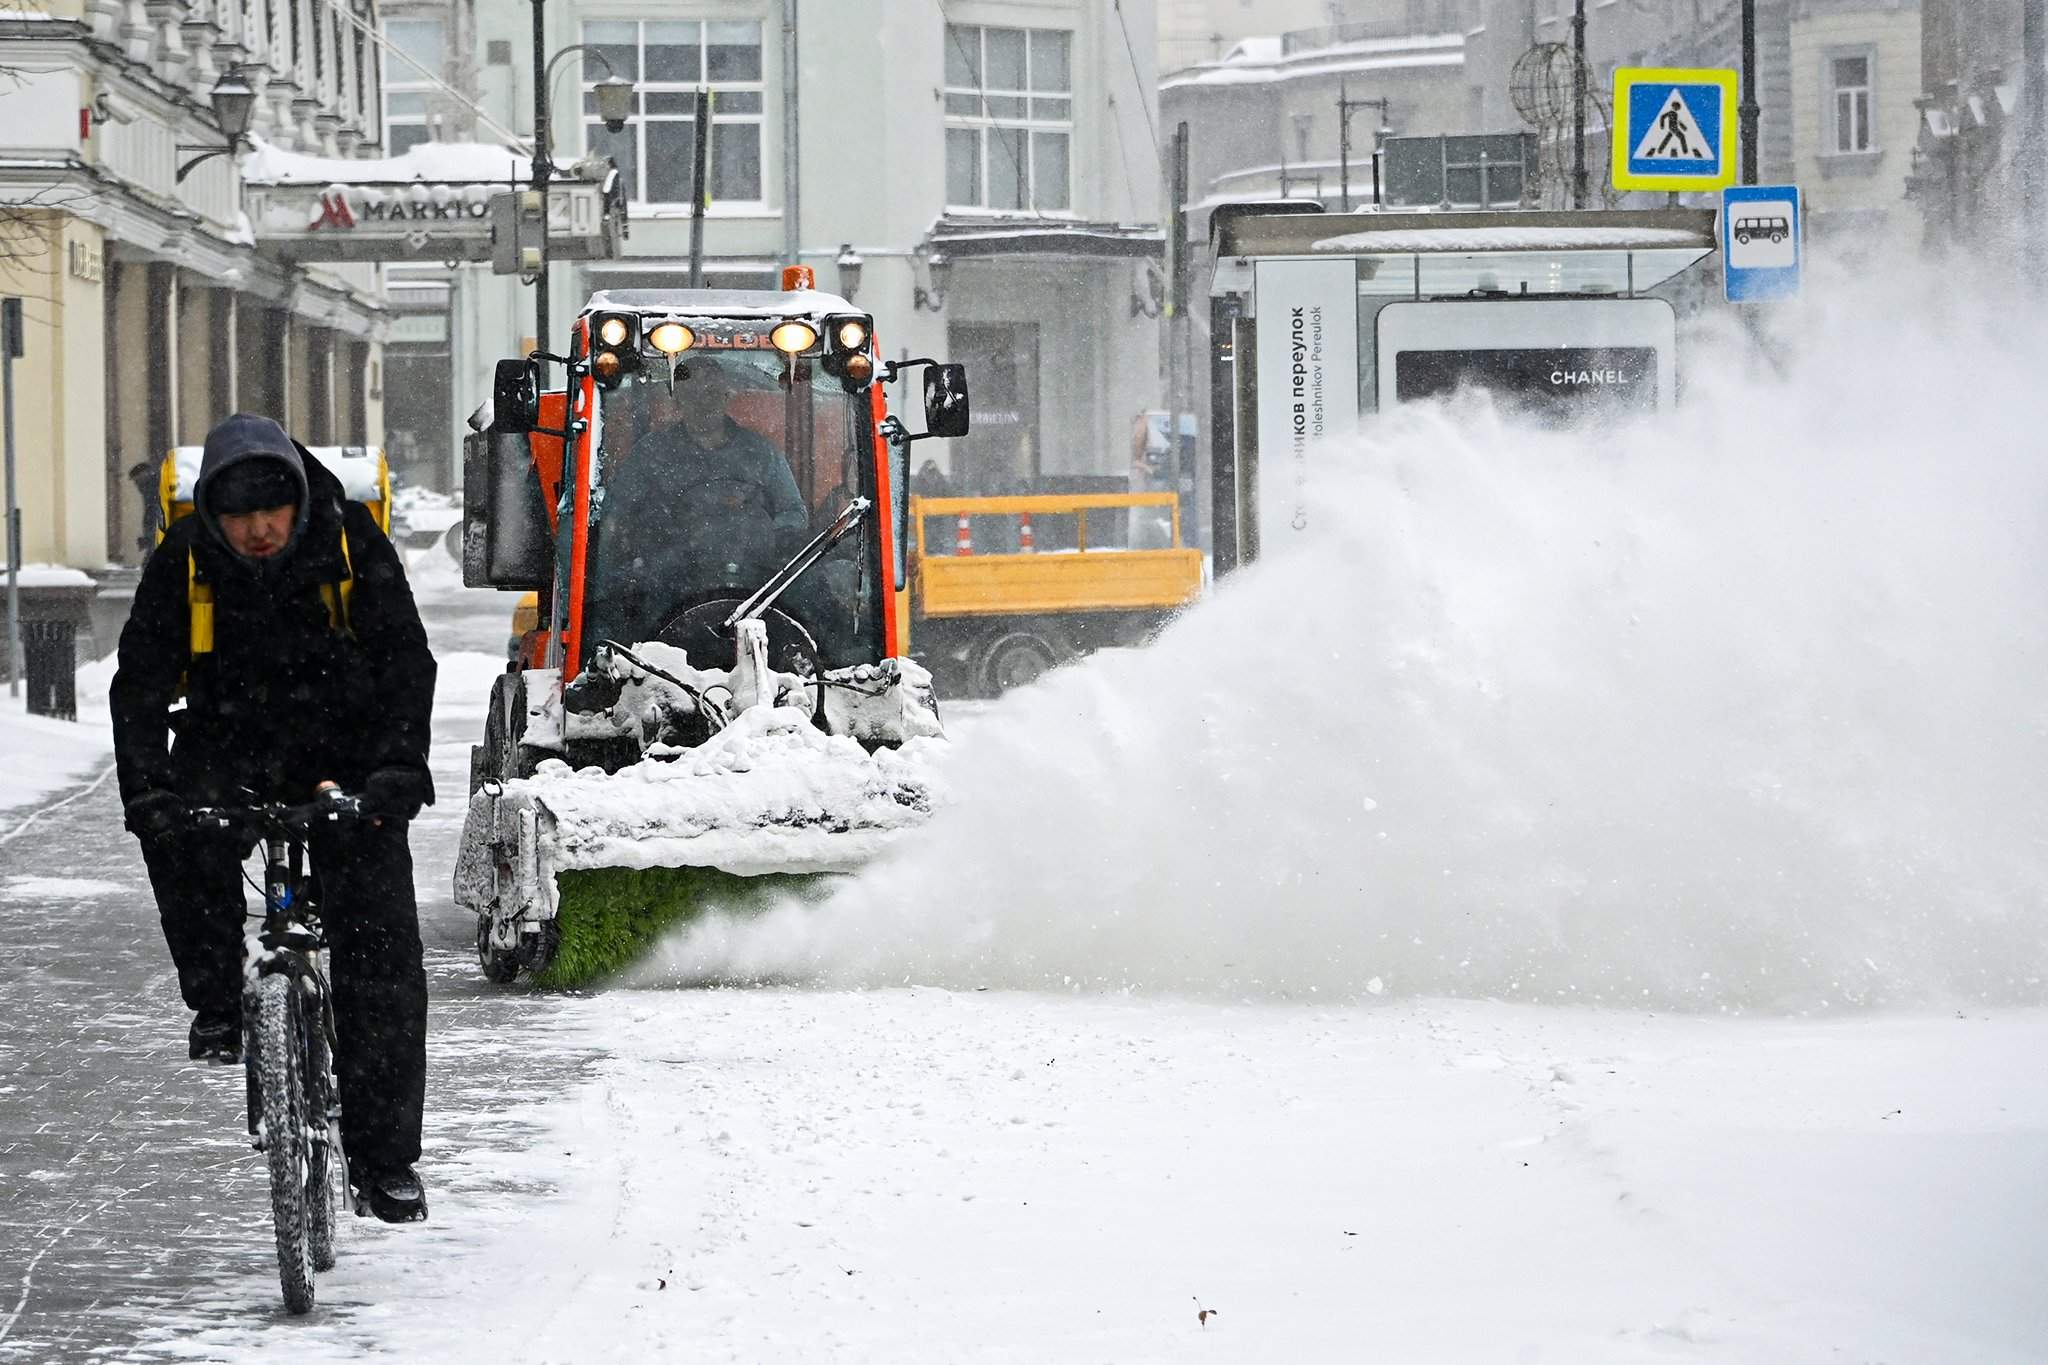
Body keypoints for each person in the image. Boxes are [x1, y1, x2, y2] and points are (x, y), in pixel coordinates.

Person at [109, 413, 437, 1225]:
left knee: (379, 950)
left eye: (272, 508)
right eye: (238, 513)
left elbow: (405, 659)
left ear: (295, 497)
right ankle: (219, 1000)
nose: (258, 529)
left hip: (346, 752)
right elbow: (141, 686)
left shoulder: (351, 543)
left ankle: (384, 1159)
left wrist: (396, 771)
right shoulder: (183, 561)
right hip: (230, 745)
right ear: (212, 514)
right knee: (176, 835)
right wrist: (149, 791)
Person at [593, 363, 810, 644]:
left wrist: (764, 537)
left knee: (815, 598)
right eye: (692, 394)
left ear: (725, 396)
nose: (702, 402)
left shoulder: (760, 454)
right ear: (678, 400)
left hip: (754, 583)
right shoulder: (651, 455)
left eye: (710, 393)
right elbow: (615, 516)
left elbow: (793, 514)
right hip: (668, 584)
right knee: (617, 613)